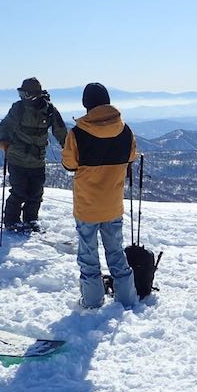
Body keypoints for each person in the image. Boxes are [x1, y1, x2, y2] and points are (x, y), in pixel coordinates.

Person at [62, 82, 138, 309]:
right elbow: (131, 156)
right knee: (116, 251)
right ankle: (126, 298)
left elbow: (69, 164)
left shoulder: (77, 134)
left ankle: (93, 301)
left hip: (87, 205)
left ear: (86, 104)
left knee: (88, 254)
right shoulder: (125, 131)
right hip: (113, 204)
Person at [0, 77, 67, 231]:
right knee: (19, 192)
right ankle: (11, 221)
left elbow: (60, 131)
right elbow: (5, 125)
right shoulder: (18, 108)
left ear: (34, 94)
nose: (22, 97)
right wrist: (4, 140)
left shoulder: (49, 110)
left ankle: (31, 220)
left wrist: (68, 147)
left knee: (36, 193)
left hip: (37, 160)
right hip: (17, 158)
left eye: (25, 94)